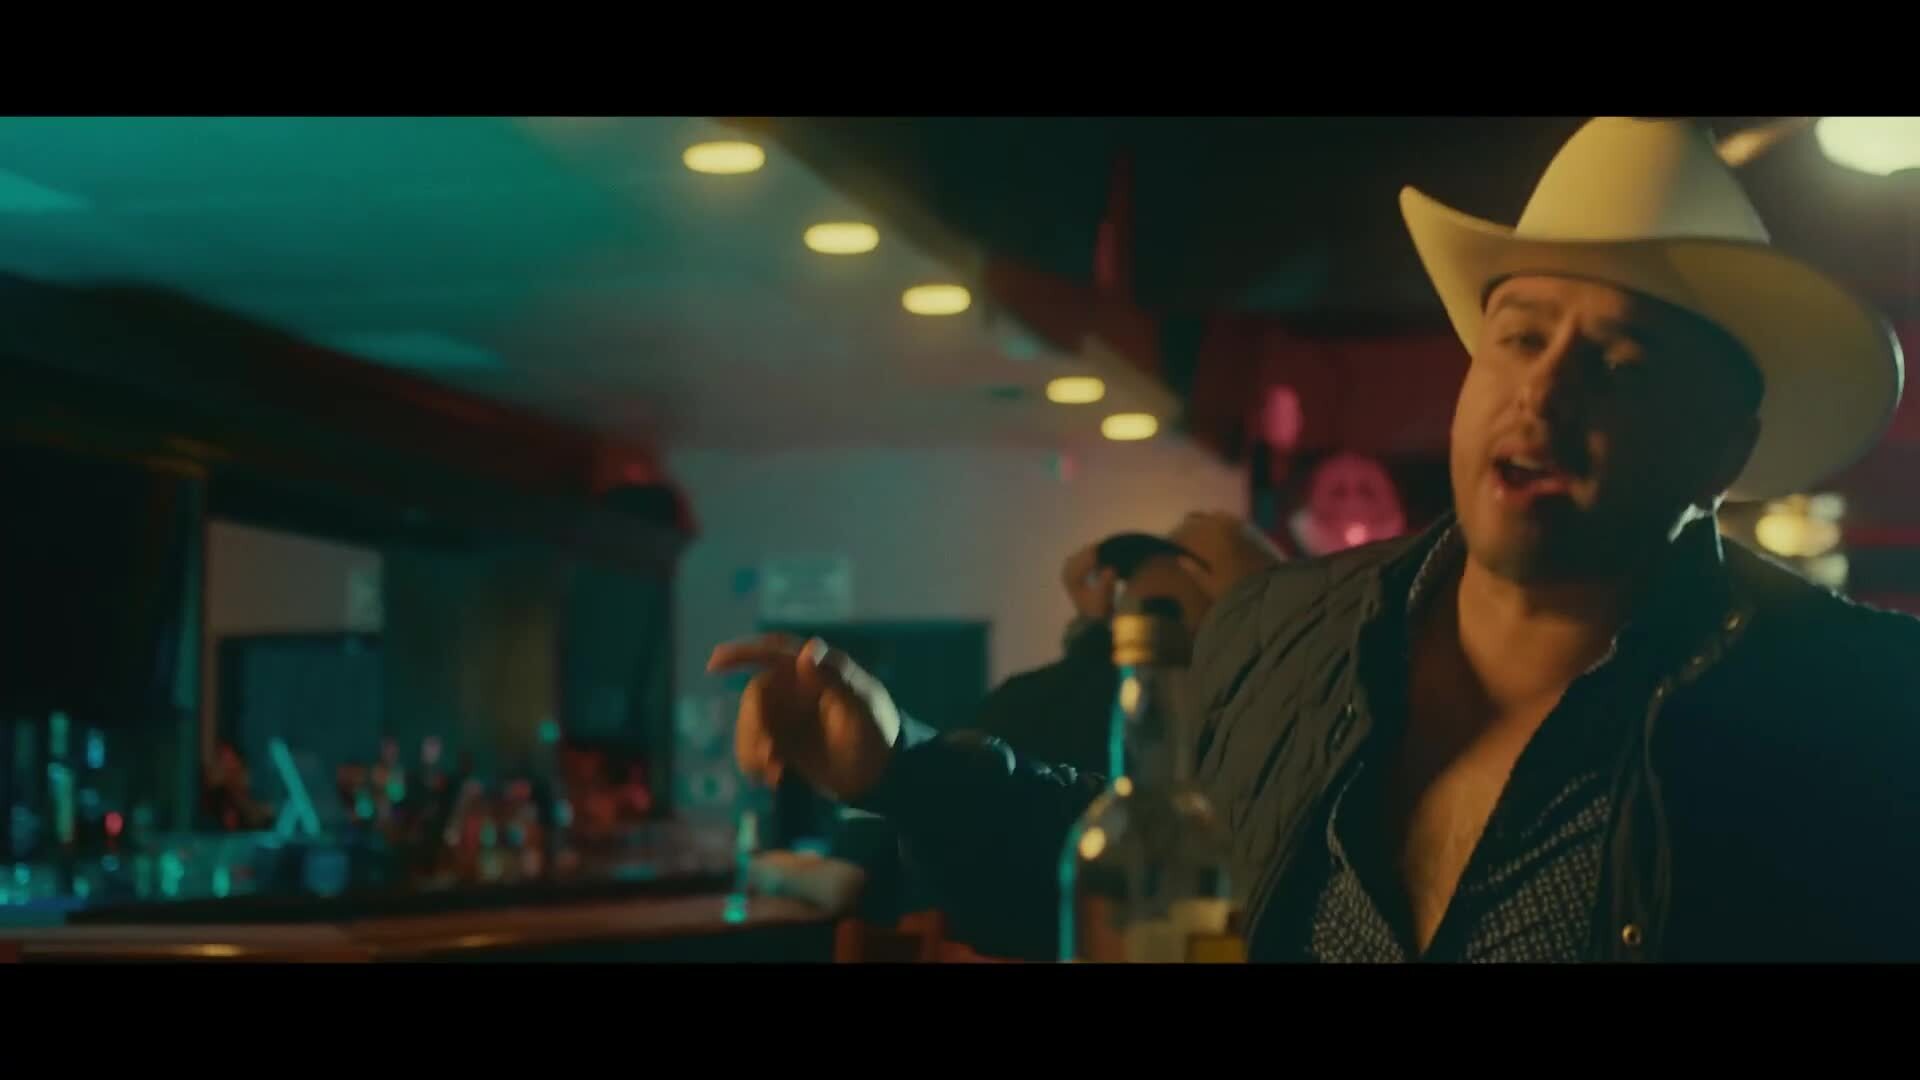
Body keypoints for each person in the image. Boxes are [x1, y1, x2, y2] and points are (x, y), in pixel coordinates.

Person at [711, 117, 1920, 962]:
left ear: (1719, 453)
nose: (1544, 393)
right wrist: (903, 765)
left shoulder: (1857, 711)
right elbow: (1158, 876)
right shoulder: (1287, 630)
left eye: (1620, 363)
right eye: (1519, 336)